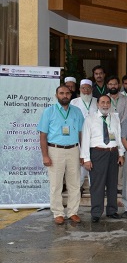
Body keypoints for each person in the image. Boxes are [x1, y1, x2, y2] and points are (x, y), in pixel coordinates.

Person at [38, 85, 85, 224]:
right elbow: (43, 135)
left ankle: (72, 212)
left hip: (73, 149)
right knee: (56, 184)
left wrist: (83, 153)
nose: (65, 95)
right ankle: (58, 213)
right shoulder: (49, 112)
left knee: (75, 183)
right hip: (55, 150)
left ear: (71, 95)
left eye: (67, 93)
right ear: (56, 95)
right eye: (61, 93)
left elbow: (81, 133)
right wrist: (45, 155)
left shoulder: (77, 111)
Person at [81, 95, 125, 222]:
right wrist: (86, 159)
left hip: (113, 153)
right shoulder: (90, 118)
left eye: (107, 103)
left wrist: (121, 154)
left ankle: (112, 210)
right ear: (98, 104)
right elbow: (85, 139)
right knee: (97, 184)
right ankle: (96, 212)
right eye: (102, 102)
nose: (105, 105)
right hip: (97, 153)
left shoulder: (115, 118)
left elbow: (119, 135)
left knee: (112, 183)